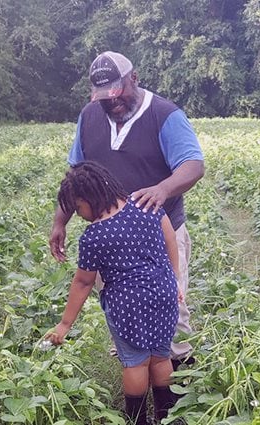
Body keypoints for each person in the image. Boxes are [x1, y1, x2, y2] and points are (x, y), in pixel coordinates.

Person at [49, 51, 204, 370]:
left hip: (160, 234)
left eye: (118, 94)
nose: (113, 102)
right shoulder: (89, 117)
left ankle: (178, 378)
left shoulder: (164, 114)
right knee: (121, 305)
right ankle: (133, 358)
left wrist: (162, 189)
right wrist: (60, 220)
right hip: (113, 242)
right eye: (105, 98)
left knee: (169, 306)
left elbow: (193, 165)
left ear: (134, 78)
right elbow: (75, 175)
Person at [45, 161, 182, 424]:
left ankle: (137, 420)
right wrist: (173, 279)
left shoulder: (93, 236)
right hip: (163, 293)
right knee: (161, 356)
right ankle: (167, 415)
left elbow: (83, 283)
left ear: (88, 199)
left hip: (128, 305)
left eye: (78, 207)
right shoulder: (146, 202)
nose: (80, 214)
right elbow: (170, 238)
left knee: (136, 363)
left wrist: (64, 324)